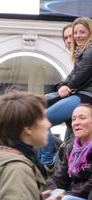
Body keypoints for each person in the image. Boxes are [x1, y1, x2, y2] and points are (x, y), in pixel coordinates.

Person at [39, 16, 92, 167]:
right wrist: (63, 85)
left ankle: (47, 161)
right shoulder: (83, 52)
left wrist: (65, 86)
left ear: (90, 32)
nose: (77, 36)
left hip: (85, 96)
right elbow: (73, 75)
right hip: (82, 94)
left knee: (42, 120)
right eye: (75, 33)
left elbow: (79, 76)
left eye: (82, 32)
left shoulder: (90, 50)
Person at [48, 103, 92, 200]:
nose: (76, 123)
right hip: (73, 195)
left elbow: (90, 186)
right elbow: (61, 179)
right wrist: (48, 193)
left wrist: (62, 195)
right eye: (73, 119)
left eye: (82, 118)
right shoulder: (71, 148)